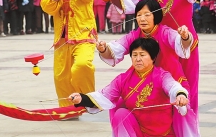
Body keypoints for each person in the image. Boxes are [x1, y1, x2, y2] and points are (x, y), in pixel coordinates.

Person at [108, 0, 201, 114]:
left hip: (185, 46)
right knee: (157, 88)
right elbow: (128, 3)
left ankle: (187, 128)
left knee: (186, 91)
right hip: (158, 47)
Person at [69, 38, 199, 137]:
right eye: (134, 55)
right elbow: (104, 96)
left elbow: (172, 86)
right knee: (120, 113)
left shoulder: (161, 76)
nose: (137, 59)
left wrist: (180, 95)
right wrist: (82, 98)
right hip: (138, 132)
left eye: (142, 55)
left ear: (153, 58)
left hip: (163, 133)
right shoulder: (123, 78)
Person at [40, 0, 97, 107]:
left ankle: (89, 100)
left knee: (82, 65)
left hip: (83, 34)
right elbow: (47, 7)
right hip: (62, 38)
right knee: (61, 77)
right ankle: (68, 109)